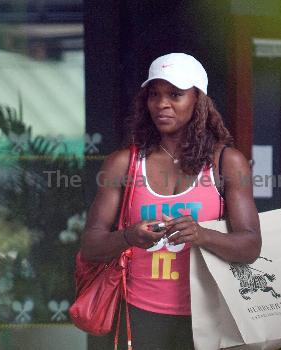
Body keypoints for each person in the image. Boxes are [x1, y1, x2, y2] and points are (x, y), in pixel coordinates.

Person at [81, 53, 261, 350]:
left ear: (198, 99)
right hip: (138, 313)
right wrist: (128, 236)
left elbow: (251, 246)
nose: (162, 104)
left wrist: (201, 234)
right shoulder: (123, 163)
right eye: (154, 94)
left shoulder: (227, 163)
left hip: (210, 313)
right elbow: (90, 245)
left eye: (175, 94)